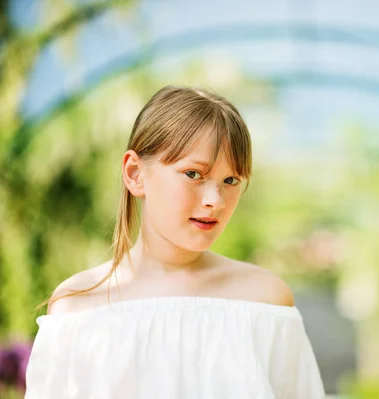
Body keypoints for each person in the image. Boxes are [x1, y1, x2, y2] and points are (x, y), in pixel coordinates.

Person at [24, 85, 326, 398]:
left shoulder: (265, 301)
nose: (215, 201)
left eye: (231, 180)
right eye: (193, 174)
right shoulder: (77, 307)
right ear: (135, 174)